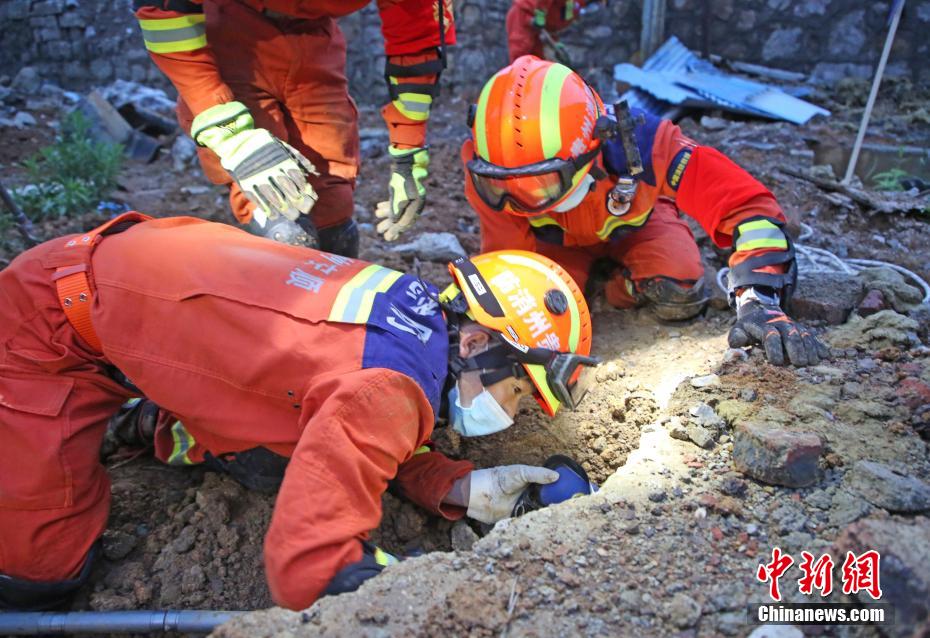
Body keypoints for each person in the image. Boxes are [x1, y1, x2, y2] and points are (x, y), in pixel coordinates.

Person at [0, 212, 597, 611]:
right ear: (474, 345)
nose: (513, 417)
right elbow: (307, 564)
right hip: (45, 329)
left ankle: (147, 422)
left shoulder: (405, 317)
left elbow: (365, 428)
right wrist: (425, 594)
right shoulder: (389, 391)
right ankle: (137, 418)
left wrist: (467, 487)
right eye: (518, 394)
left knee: (279, 452)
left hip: (130, 290)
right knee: (43, 577)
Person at [461, 56, 828, 367]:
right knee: (538, 323)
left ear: (593, 147)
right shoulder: (492, 170)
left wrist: (758, 298)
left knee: (678, 287)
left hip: (639, 228)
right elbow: (506, 258)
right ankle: (587, 284)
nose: (519, 198)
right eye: (503, 186)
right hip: (556, 247)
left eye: (540, 184)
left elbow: (743, 203)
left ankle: (610, 286)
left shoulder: (648, 144)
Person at [133, 0, 454, 253]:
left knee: (334, 222)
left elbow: (417, 45)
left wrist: (409, 155)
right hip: (231, 32)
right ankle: (267, 327)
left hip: (315, 40)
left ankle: (329, 331)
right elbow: (163, 11)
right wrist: (232, 134)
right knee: (281, 226)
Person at [505, 0, 588, 65]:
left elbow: (556, 20)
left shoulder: (580, 4)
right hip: (525, 14)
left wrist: (555, 41)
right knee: (520, 57)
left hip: (543, 26)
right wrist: (540, 13)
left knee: (539, 61)